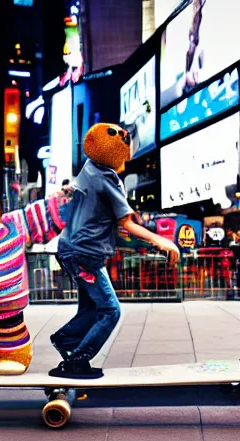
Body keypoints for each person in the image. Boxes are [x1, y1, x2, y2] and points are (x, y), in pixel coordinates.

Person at [49, 123, 180, 379]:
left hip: (71, 250)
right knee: (110, 310)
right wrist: (161, 241)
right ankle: (77, 360)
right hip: (85, 253)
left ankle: (66, 340)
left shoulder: (88, 169)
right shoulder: (106, 177)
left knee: (91, 309)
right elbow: (127, 223)